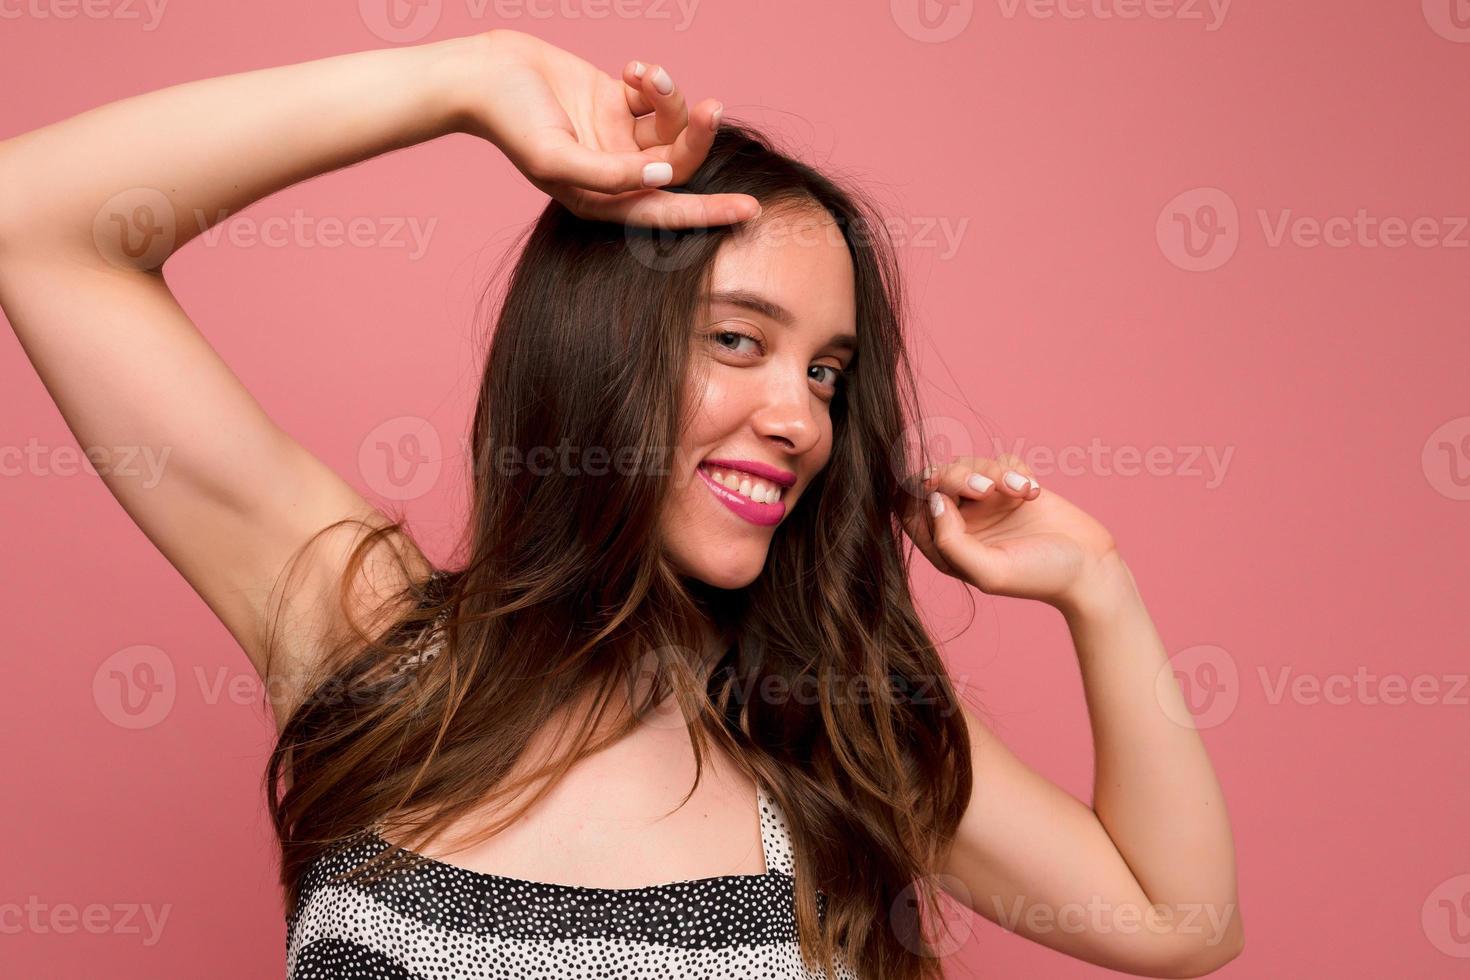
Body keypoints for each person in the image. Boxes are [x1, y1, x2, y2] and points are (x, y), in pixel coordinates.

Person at [0, 28, 1244, 979]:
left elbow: (1178, 921)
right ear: (597, 351)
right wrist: (464, 77)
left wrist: (1098, 584)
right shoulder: (368, 641)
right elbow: (35, 222)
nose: (803, 417)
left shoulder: (821, 729)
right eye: (740, 341)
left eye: (827, 372)